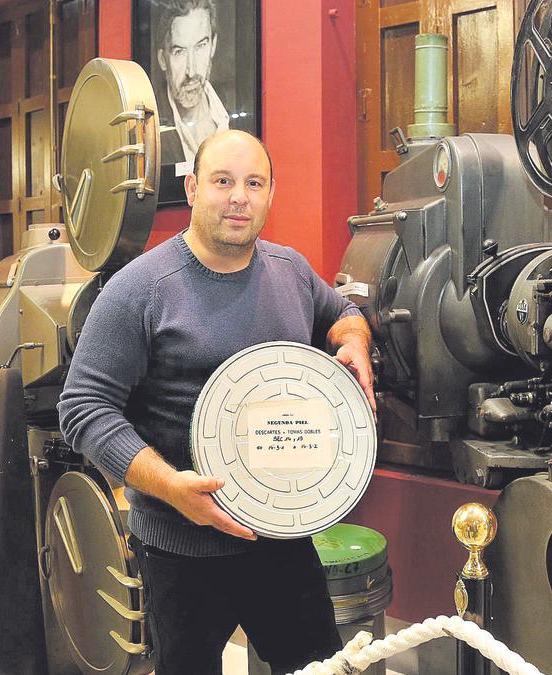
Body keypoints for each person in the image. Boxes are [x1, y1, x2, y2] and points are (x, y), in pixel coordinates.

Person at [58, 129, 375, 675]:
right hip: (181, 548)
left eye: (254, 183)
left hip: (282, 541)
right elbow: (83, 408)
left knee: (319, 671)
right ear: (191, 187)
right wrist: (170, 488)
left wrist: (353, 340)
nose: (239, 197)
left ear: (271, 194)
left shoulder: (291, 272)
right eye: (223, 181)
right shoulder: (140, 289)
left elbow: (343, 310)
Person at [154, 0, 230, 166]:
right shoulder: (149, 129)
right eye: (179, 51)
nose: (191, 71)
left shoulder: (233, 118)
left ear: (213, 45)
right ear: (163, 59)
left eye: (200, 46)